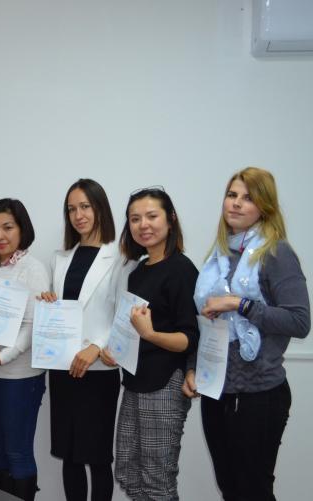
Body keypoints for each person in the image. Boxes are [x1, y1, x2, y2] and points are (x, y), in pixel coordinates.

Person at [188, 167, 309, 500]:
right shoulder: (219, 256)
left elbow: (300, 321)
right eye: (232, 195)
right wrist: (193, 367)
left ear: (265, 207)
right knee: (230, 489)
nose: (237, 203)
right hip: (217, 391)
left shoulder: (276, 253)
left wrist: (239, 304)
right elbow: (206, 323)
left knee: (253, 491)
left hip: (260, 395)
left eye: (248, 197)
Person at [104, 187, 198, 501]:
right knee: (128, 472)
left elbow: (188, 338)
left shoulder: (182, 269)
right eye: (135, 219)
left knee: (158, 481)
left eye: (151, 216)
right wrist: (116, 351)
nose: (143, 224)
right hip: (134, 381)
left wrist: (151, 334)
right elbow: (131, 329)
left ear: (171, 219)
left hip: (165, 384)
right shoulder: (138, 270)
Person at [41, 179, 124, 501]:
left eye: (85, 207)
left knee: (98, 457)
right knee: (70, 454)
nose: (78, 215)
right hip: (63, 369)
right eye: (72, 209)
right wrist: (48, 302)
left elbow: (124, 314)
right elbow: (63, 309)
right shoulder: (60, 258)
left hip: (98, 371)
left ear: (100, 208)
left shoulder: (121, 257)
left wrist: (97, 346)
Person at [0, 199, 49, 500]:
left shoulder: (33, 269)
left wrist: (2, 357)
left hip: (20, 375)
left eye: (7, 227)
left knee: (18, 451)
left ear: (21, 230)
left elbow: (33, 325)